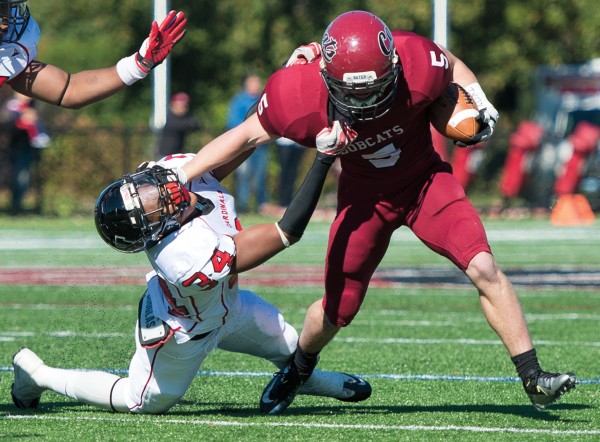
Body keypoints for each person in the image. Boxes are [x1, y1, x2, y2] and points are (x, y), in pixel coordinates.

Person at [169, 10, 578, 414]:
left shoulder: (417, 59)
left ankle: (532, 375)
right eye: (353, 92)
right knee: (336, 311)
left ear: (394, 64)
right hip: (364, 200)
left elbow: (449, 62)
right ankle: (298, 368)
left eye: (374, 87)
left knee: (484, 267)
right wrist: (182, 175)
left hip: (424, 183)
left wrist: (478, 97)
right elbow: (243, 136)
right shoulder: (296, 93)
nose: (364, 100)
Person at [11, 150, 372, 414]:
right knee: (142, 402)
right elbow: (285, 231)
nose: (161, 193)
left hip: (231, 307)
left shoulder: (168, 176)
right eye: (152, 206)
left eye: (147, 189)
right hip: (185, 331)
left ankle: (321, 382)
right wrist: (323, 159)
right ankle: (38, 373)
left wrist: (284, 85)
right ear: (157, 230)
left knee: (294, 349)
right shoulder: (183, 255)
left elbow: (247, 136)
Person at [0, 1, 186, 108]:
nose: (5, 24)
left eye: (5, 12)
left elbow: (69, 90)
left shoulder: (7, 56)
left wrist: (139, 64)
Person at [225, 74, 270, 213]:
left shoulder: (263, 99)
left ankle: (261, 206)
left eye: (257, 83)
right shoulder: (239, 100)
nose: (255, 86)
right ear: (247, 85)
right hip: (243, 145)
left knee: (260, 177)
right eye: (253, 83)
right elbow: (232, 122)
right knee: (243, 176)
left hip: (261, 146)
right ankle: (243, 206)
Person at [3, 91, 51, 214]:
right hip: (13, 148)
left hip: (29, 148)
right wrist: (20, 122)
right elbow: (4, 124)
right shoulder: (11, 106)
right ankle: (15, 206)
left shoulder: (33, 106)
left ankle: (18, 206)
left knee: (25, 177)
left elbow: (42, 126)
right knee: (18, 177)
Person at [157, 92, 201, 157]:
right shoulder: (168, 117)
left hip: (177, 154)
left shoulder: (183, 118)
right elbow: (181, 125)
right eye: (182, 106)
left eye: (185, 106)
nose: (184, 108)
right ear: (174, 105)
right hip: (165, 155)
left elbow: (195, 125)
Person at [276, 137, 306, 207]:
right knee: (285, 173)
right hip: (285, 142)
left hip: (298, 143)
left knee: (293, 173)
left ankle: (289, 200)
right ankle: (282, 201)